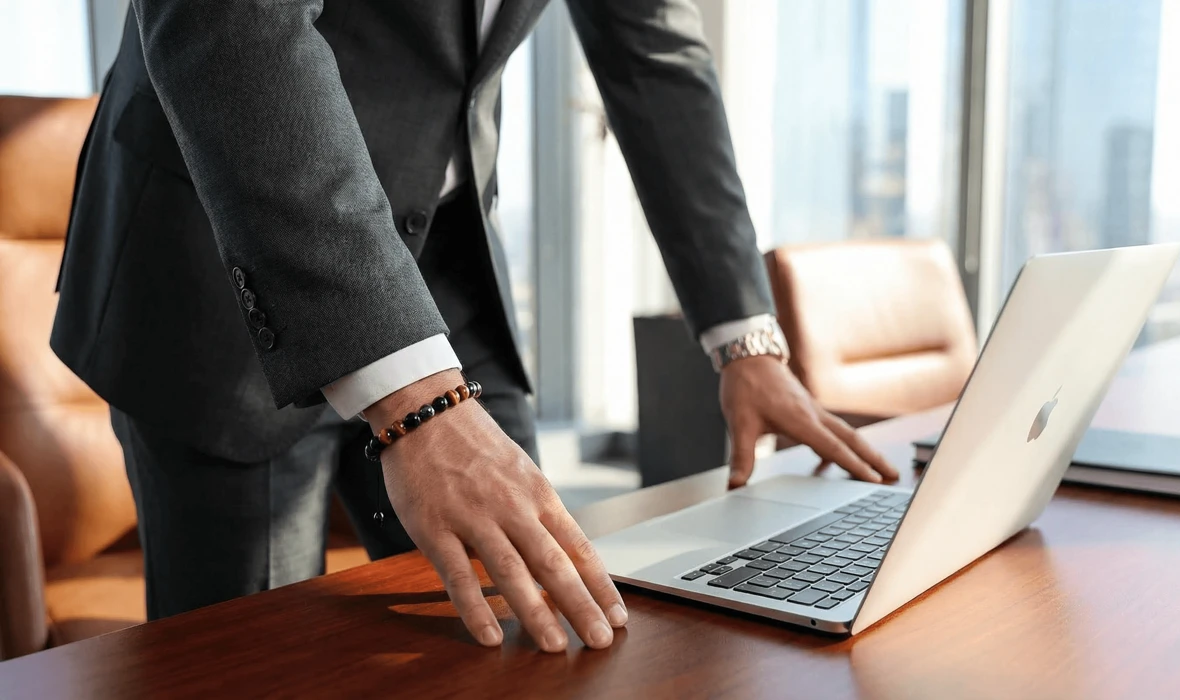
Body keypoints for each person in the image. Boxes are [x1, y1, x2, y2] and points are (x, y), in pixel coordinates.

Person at [52, 0, 897, 654]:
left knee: (544, 625)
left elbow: (657, 53)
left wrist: (745, 339)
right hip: (221, 260)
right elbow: (231, 25)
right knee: (256, 665)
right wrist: (413, 398)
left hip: (443, 258)